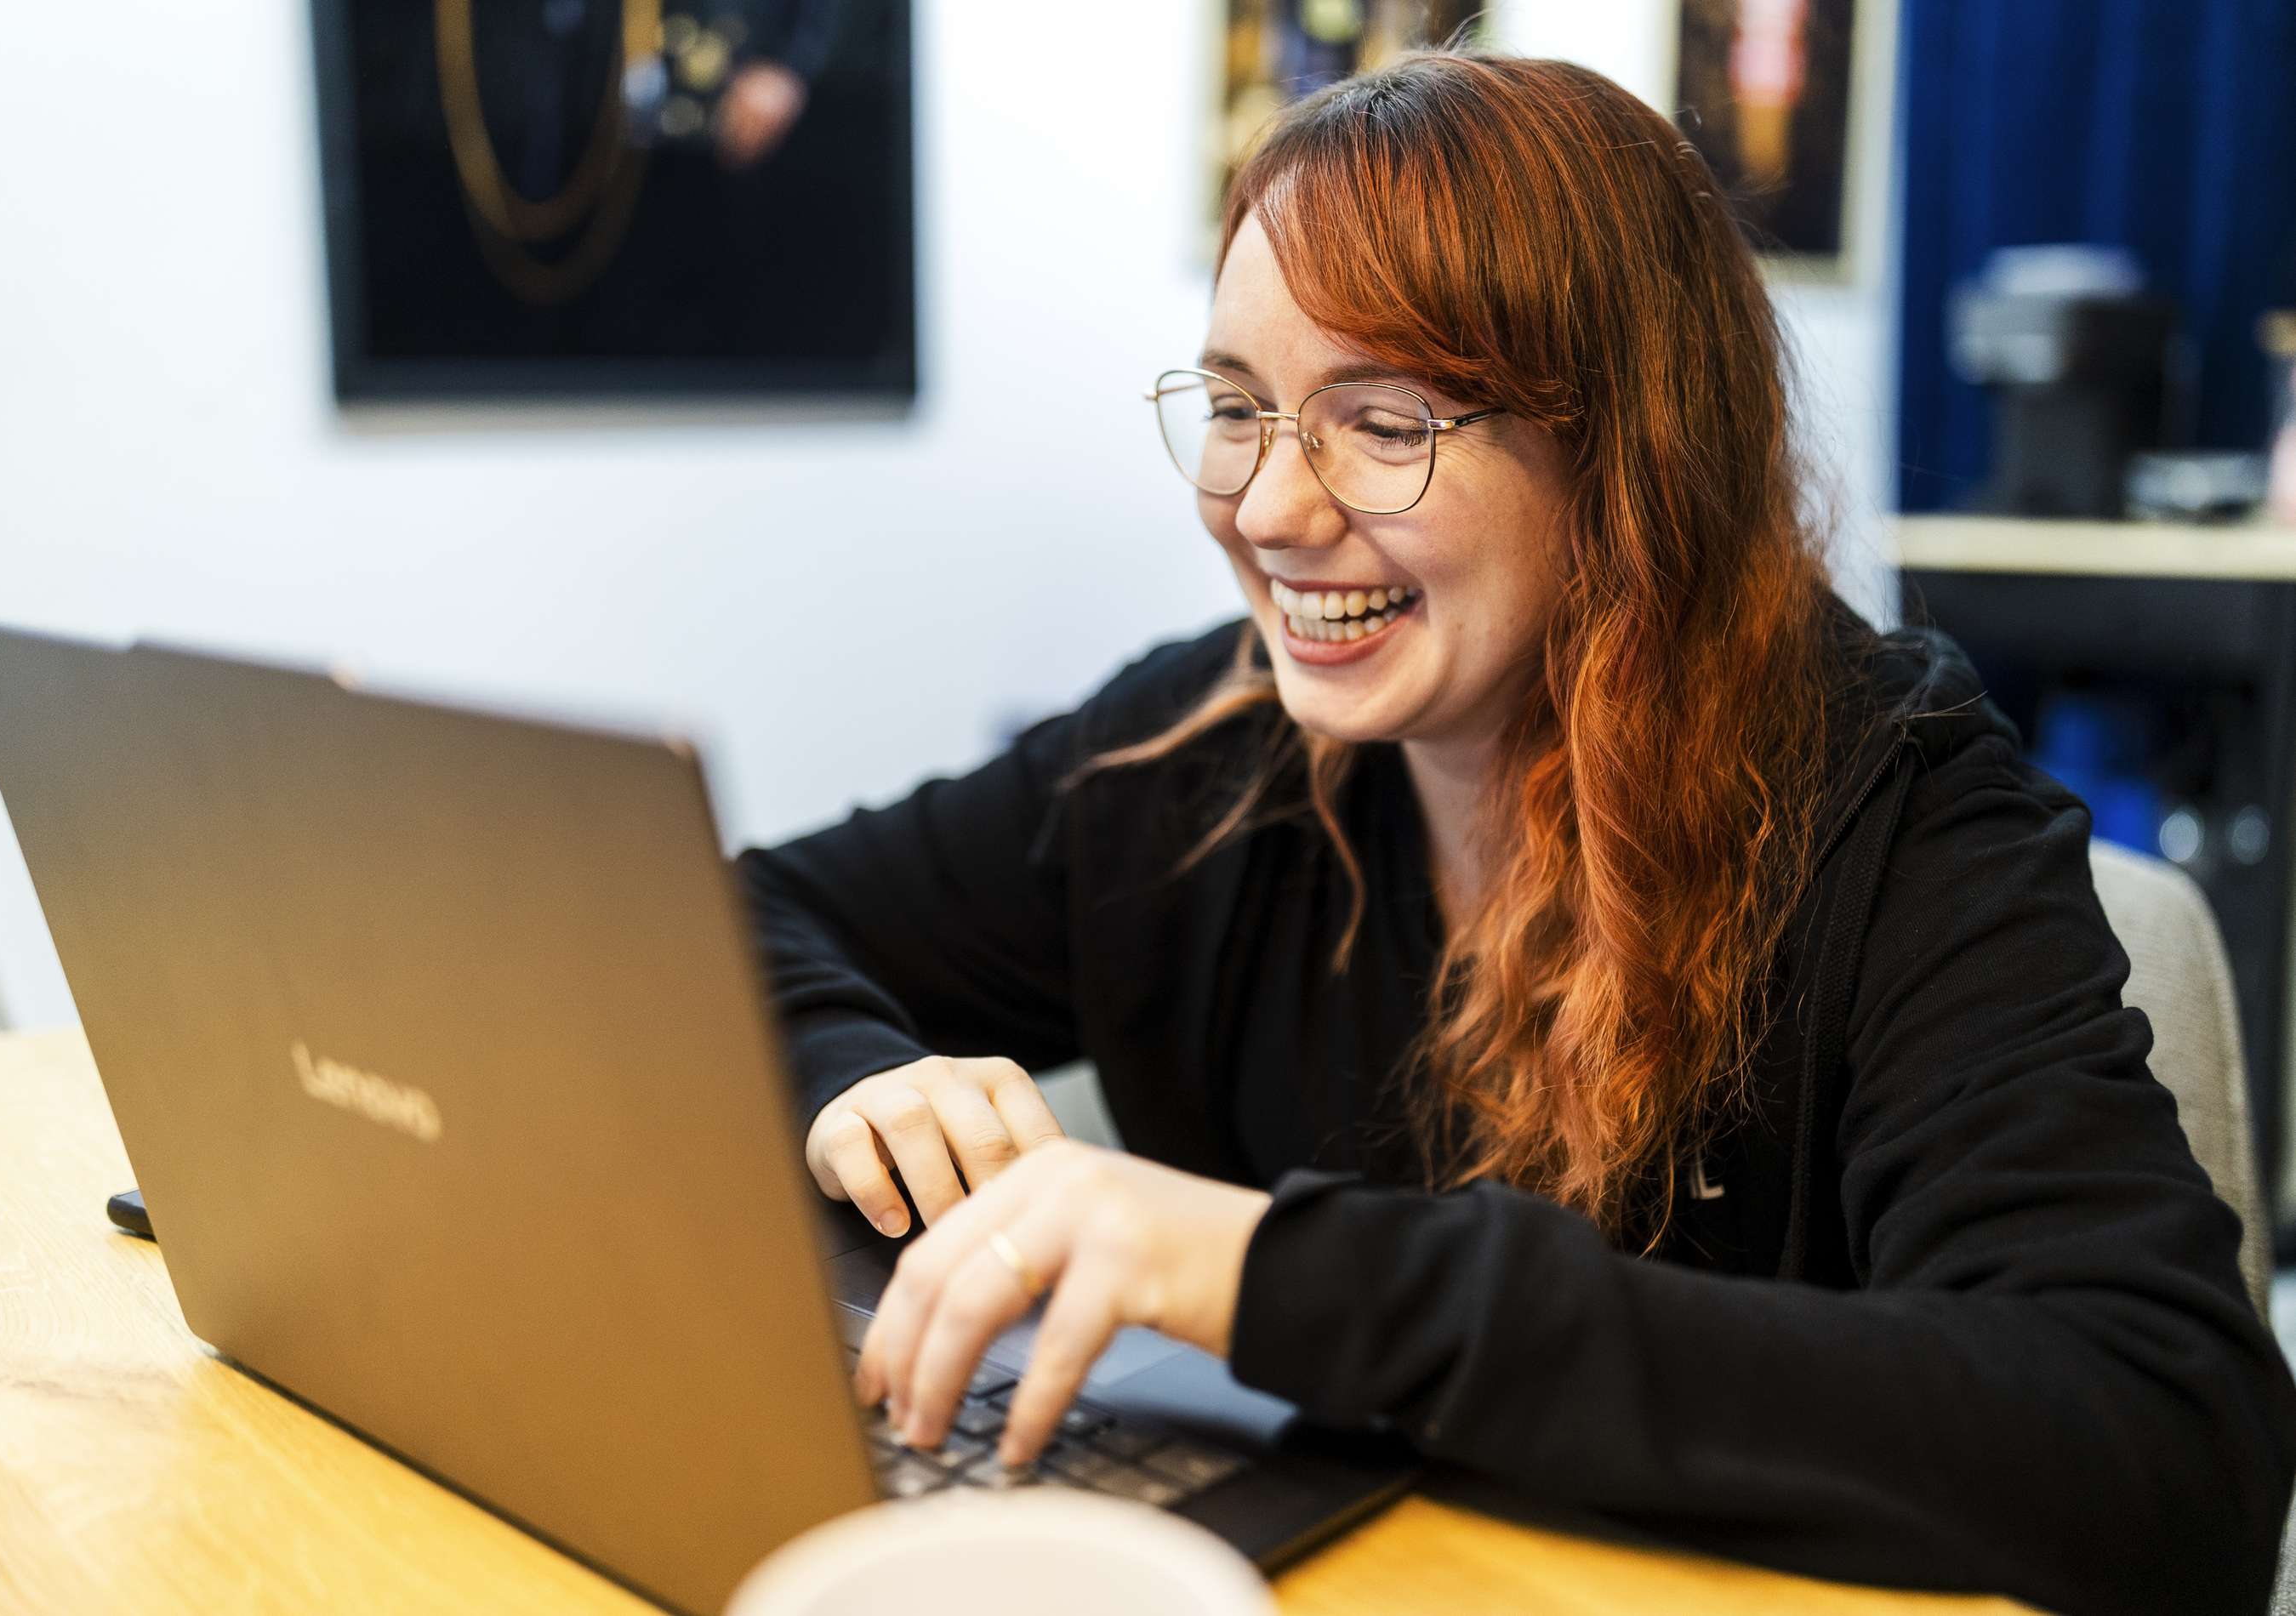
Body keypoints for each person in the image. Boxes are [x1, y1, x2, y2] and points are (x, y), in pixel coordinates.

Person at [736, 52, 2296, 1616]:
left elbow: (2161, 1446)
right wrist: (859, 1078)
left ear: (1629, 454)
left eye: (1381, 421)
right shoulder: (1199, 754)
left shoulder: (1893, 810)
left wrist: (1272, 1278)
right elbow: (735, 922)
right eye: (1235, 409)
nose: (1268, 509)